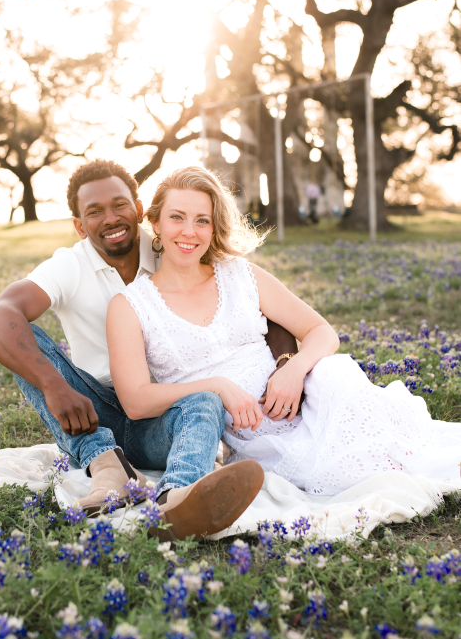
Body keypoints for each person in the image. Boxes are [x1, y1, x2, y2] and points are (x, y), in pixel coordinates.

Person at [107, 165, 461, 506]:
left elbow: (321, 331)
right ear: (154, 222)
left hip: (307, 396)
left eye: (203, 220)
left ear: (215, 228)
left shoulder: (239, 275)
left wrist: (293, 370)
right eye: (177, 217)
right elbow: (136, 402)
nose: (189, 232)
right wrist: (218, 386)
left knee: (393, 441)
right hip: (250, 433)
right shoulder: (131, 305)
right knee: (349, 473)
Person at [0, 159, 294, 539]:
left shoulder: (174, 241)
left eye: (120, 205)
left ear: (141, 210)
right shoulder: (70, 266)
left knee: (206, 399)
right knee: (24, 340)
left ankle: (176, 501)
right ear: (80, 226)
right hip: (90, 410)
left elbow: (249, 297)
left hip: (163, 409)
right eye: (95, 212)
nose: (111, 218)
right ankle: (107, 467)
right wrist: (55, 387)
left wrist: (285, 362)